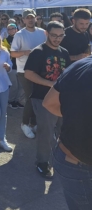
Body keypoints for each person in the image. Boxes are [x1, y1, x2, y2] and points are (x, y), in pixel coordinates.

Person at [43, 55, 92, 210]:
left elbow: (49, 103)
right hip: (79, 166)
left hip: (69, 160)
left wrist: (77, 117)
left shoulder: (78, 66)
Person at [24, 21, 70, 178]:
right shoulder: (38, 52)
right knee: (47, 133)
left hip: (62, 100)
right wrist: (51, 84)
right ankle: (42, 163)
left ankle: (61, 161)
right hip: (42, 99)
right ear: (46, 34)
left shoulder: (64, 52)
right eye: (54, 35)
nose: (57, 39)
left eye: (60, 36)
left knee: (63, 131)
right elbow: (28, 74)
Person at [10, 9, 46, 139]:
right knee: (31, 97)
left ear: (36, 18)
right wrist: (25, 52)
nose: (30, 20)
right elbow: (13, 53)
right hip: (23, 71)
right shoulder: (19, 35)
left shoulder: (43, 33)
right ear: (23, 20)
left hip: (40, 71)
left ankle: (34, 123)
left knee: (39, 97)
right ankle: (25, 124)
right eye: (27, 18)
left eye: (32, 17)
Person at [3, 23, 24, 109]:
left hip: (22, 65)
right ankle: (11, 100)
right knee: (13, 85)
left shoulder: (21, 38)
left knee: (21, 85)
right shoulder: (5, 41)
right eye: (9, 29)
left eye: (13, 28)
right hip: (12, 66)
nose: (11, 30)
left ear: (16, 29)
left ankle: (17, 100)